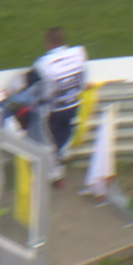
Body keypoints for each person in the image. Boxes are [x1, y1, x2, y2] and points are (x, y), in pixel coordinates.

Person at [33, 27, 89, 186]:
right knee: (65, 134)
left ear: (49, 42)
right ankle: (63, 156)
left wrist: (40, 100)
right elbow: (83, 78)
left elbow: (47, 90)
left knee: (52, 141)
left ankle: (57, 175)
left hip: (55, 109)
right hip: (74, 104)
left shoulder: (43, 63)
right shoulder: (79, 53)